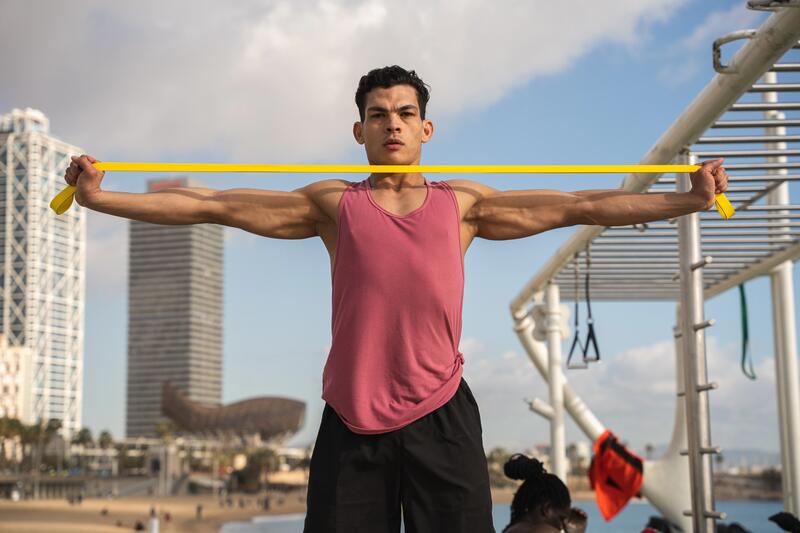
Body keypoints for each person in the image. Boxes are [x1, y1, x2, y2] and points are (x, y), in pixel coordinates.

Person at [64, 65, 729, 533]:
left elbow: (582, 203)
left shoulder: (461, 205)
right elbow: (213, 204)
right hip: (352, 423)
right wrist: (99, 197)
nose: (392, 125)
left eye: (405, 114)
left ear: (426, 128)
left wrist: (687, 199)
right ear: (359, 131)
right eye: (378, 115)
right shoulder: (334, 204)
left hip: (442, 415)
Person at [502, 454, 587, 533]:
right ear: (547, 508)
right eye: (561, 519)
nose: (561, 527)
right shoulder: (542, 530)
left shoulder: (512, 530)